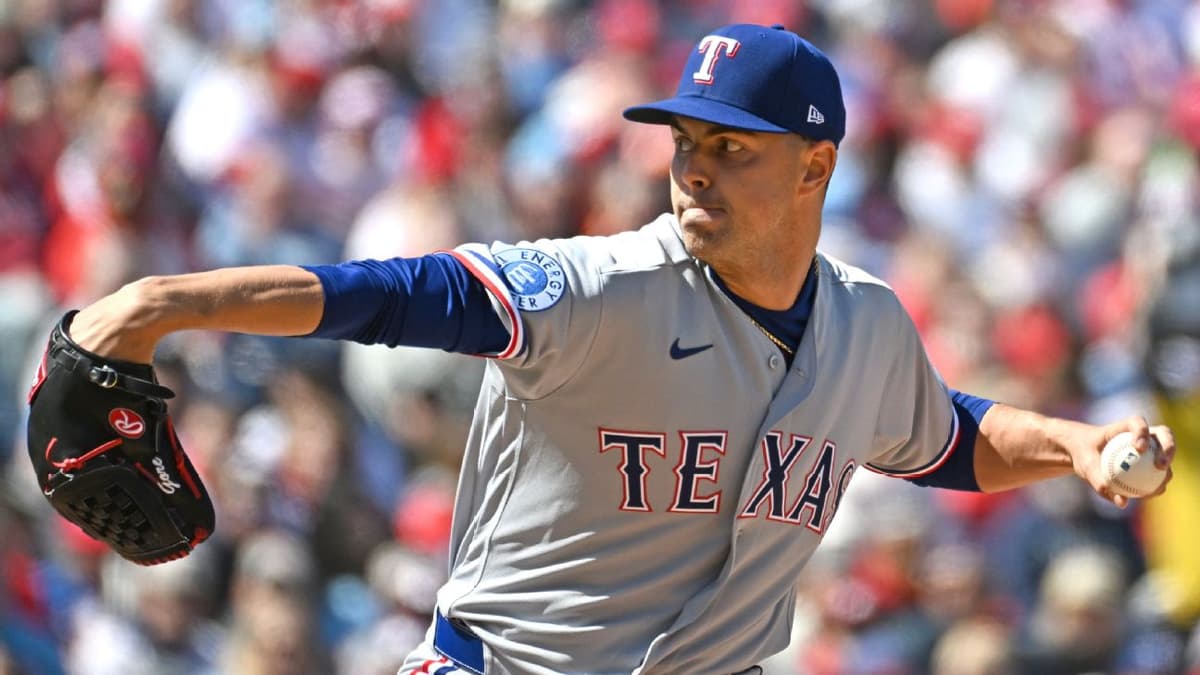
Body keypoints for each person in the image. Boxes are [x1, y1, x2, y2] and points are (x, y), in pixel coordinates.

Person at [61, 23, 1175, 675]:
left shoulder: (867, 324)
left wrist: (1075, 443)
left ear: (816, 167)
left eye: (731, 147)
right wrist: (162, 301)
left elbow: (945, 439)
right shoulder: (608, 287)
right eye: (685, 141)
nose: (693, 168)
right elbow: (404, 294)